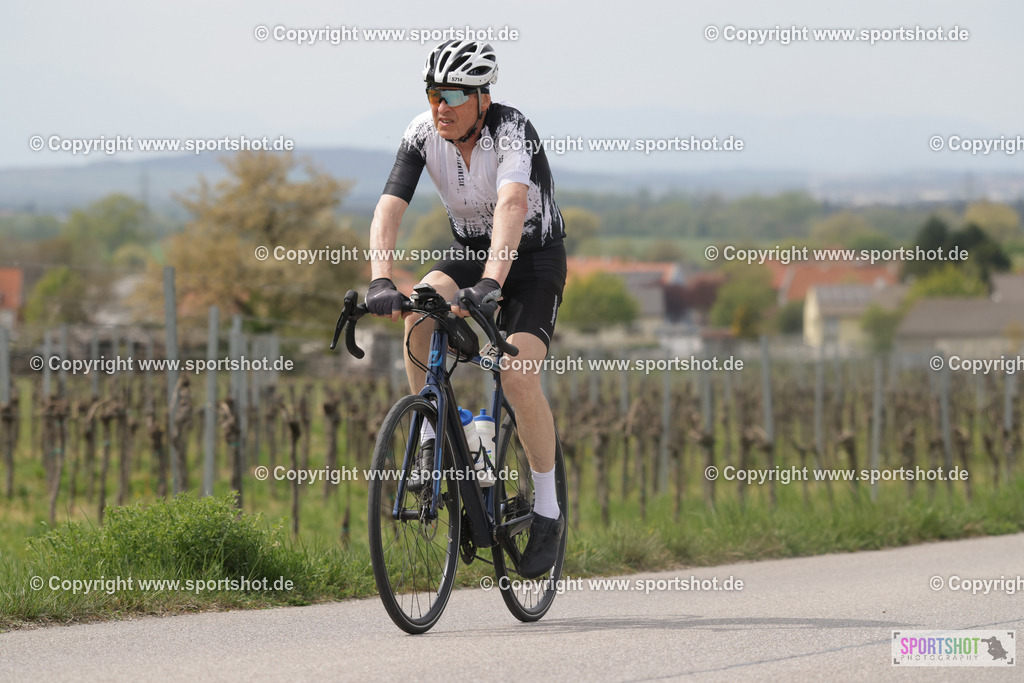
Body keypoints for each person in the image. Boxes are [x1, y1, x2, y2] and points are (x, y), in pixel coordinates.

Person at [365, 39, 566, 579]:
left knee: (518, 376)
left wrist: (491, 285)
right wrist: (380, 277)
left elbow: (512, 206)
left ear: (483, 96)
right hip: (471, 257)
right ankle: (431, 436)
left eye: (455, 92)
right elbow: (389, 206)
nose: (441, 105)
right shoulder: (421, 133)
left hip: (531, 263)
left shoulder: (512, 130)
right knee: (421, 306)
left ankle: (547, 511)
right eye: (434, 92)